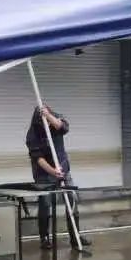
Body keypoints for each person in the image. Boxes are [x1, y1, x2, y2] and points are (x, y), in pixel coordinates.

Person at [26, 105, 90, 250]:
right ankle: (44, 238)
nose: (48, 125)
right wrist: (52, 171)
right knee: (45, 204)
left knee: (72, 201)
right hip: (44, 173)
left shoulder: (55, 121)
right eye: (44, 121)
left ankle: (75, 237)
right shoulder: (33, 134)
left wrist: (48, 116)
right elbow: (38, 158)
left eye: (49, 120)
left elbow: (64, 128)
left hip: (63, 169)